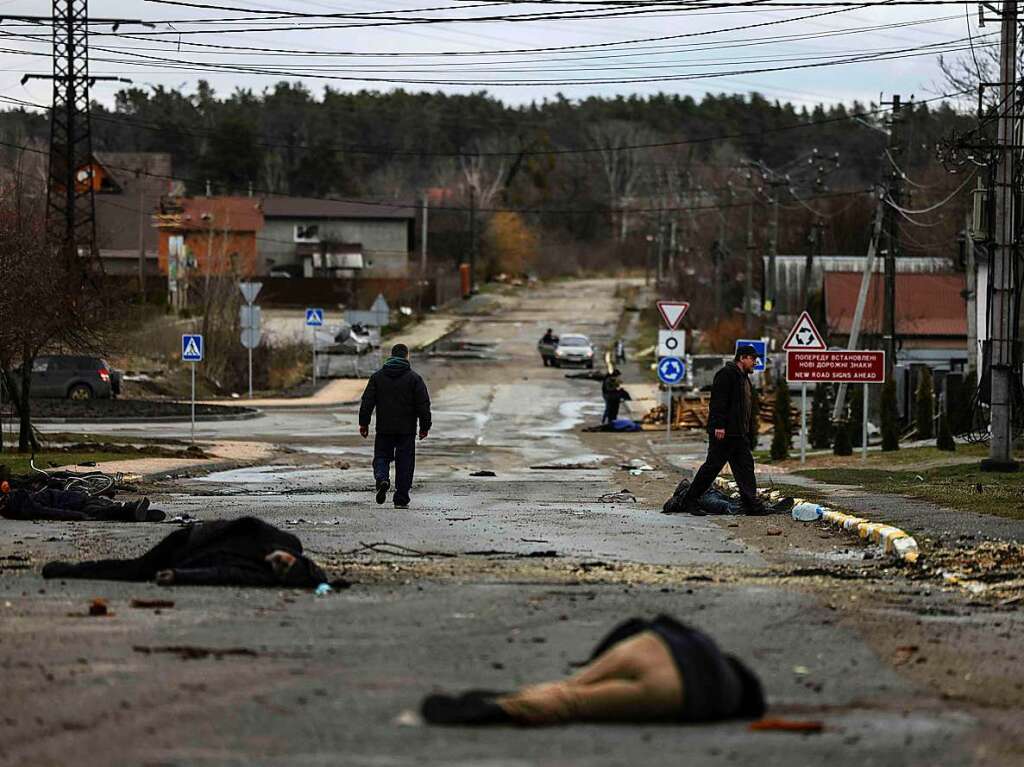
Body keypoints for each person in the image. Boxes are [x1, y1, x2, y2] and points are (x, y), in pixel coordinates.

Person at [420, 614, 765, 726]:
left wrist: (595, 660)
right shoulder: (726, 698)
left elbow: (640, 623)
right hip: (675, 688)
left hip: (651, 644)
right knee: (575, 704)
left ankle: (537, 691)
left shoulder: (706, 644)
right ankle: (505, 708)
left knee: (572, 685)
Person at [42, 517, 330, 588]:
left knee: (136, 571)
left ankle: (65, 570)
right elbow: (245, 522)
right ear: (294, 556)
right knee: (136, 571)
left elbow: (221, 575)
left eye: (280, 569)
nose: (276, 563)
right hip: (190, 540)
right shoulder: (283, 539)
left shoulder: (261, 575)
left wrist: (179, 575)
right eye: (285, 562)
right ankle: (65, 570)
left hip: (188, 557)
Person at [667, 344, 765, 516]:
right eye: (753, 359)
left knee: (745, 467)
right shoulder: (726, 375)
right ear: (742, 358)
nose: (755, 363)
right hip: (725, 433)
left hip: (738, 434)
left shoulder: (743, 377)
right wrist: (719, 425)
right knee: (712, 468)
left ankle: (752, 505)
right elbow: (718, 402)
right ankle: (690, 500)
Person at [359, 343, 432, 509]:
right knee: (405, 462)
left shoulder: (377, 377)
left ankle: (382, 478)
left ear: (391, 356)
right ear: (406, 356)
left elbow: (367, 402)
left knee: (381, 457)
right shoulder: (414, 379)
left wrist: (364, 423)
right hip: (406, 430)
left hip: (384, 428)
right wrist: (425, 427)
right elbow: (423, 405)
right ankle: (401, 498)